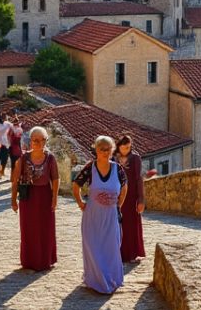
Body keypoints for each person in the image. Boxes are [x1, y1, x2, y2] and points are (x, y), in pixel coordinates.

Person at [72, 136, 127, 294]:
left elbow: (124, 187)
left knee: (111, 248)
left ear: (112, 151)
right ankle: (97, 281)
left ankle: (110, 278)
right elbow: (76, 185)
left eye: (108, 149)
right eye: (101, 149)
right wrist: (81, 203)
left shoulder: (118, 169)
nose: (105, 152)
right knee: (93, 247)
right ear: (96, 150)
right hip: (93, 216)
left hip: (110, 215)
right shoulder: (90, 168)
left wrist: (118, 205)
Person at [10, 126, 59, 271]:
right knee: (29, 228)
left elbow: (55, 179)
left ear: (45, 141)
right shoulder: (24, 158)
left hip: (45, 196)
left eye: (41, 140)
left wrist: (55, 198)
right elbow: (15, 179)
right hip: (28, 197)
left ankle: (45, 260)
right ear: (30, 141)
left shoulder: (50, 158)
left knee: (45, 228)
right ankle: (29, 260)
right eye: (34, 140)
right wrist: (13, 199)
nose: (37, 143)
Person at [116, 135, 146, 263]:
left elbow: (138, 179)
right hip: (117, 195)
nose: (126, 150)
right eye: (123, 147)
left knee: (131, 225)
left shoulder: (135, 159)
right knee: (118, 224)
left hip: (131, 196)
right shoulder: (114, 158)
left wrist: (141, 199)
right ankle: (117, 252)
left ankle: (132, 253)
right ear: (119, 147)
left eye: (128, 147)